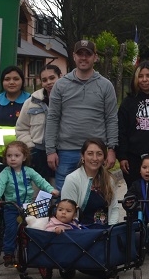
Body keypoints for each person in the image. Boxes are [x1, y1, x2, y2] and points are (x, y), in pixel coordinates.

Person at [45, 40, 119, 191]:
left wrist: (111, 149)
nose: (83, 58)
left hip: (96, 154)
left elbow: (111, 118)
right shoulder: (61, 85)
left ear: (95, 57)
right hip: (66, 151)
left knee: (96, 200)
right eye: (80, 54)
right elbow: (53, 118)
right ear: (74, 56)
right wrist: (50, 150)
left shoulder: (105, 86)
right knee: (65, 202)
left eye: (88, 54)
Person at [0, 140, 59, 265]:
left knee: (36, 226)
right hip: (11, 207)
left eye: (16, 156)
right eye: (9, 156)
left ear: (24, 157)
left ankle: (37, 250)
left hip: (28, 206)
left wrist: (51, 189)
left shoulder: (29, 171)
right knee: (11, 229)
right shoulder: (5, 173)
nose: (12, 159)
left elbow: (40, 181)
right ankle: (8, 253)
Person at [60, 138, 125, 226]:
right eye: (90, 154)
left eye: (99, 154)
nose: (95, 158)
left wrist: (111, 230)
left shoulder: (109, 179)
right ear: (83, 156)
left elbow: (114, 208)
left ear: (104, 158)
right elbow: (68, 213)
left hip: (105, 232)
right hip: (82, 233)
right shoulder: (72, 179)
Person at [16, 65, 61, 181]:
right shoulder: (31, 102)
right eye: (44, 80)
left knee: (58, 190)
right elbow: (21, 128)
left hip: (62, 153)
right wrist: (31, 148)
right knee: (39, 193)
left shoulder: (70, 100)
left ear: (60, 77)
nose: (49, 82)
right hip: (38, 154)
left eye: (52, 78)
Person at [0, 65, 30, 130]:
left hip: (25, 140)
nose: (11, 82)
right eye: (7, 79)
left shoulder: (31, 101)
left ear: (22, 81)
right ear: (2, 82)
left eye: (16, 79)